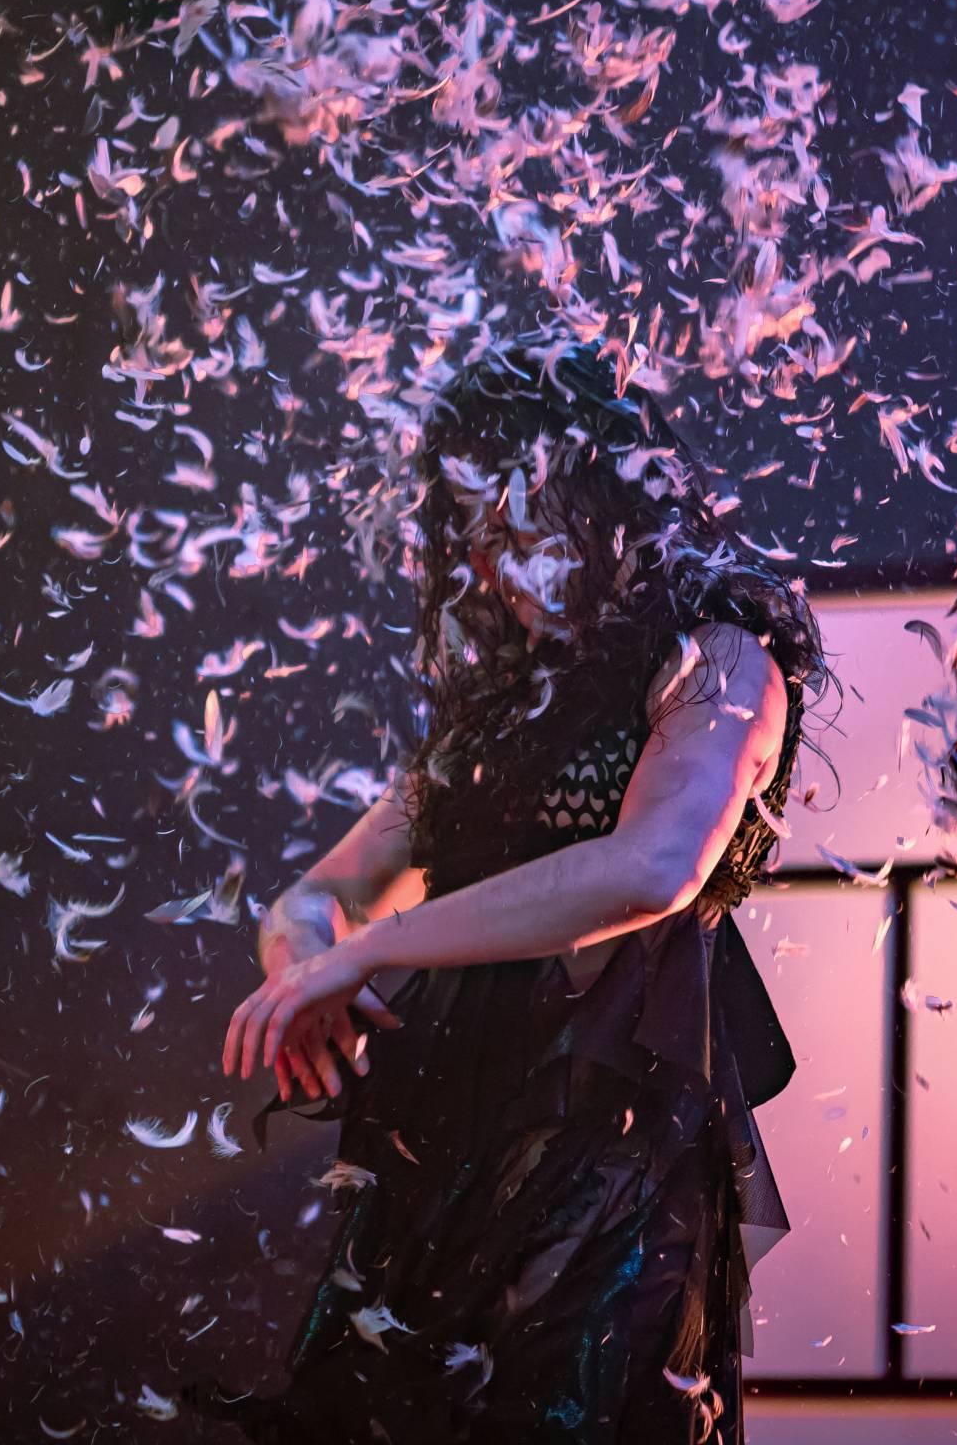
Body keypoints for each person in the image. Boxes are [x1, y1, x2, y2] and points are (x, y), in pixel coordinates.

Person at [182, 333, 832, 1443]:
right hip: (450, 1116)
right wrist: (309, 963)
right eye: (477, 522)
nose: (498, 553)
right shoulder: (497, 707)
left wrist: (370, 951)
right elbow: (313, 894)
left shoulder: (717, 659)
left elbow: (654, 867)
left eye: (528, 516)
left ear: (610, 505)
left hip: (613, 1130)